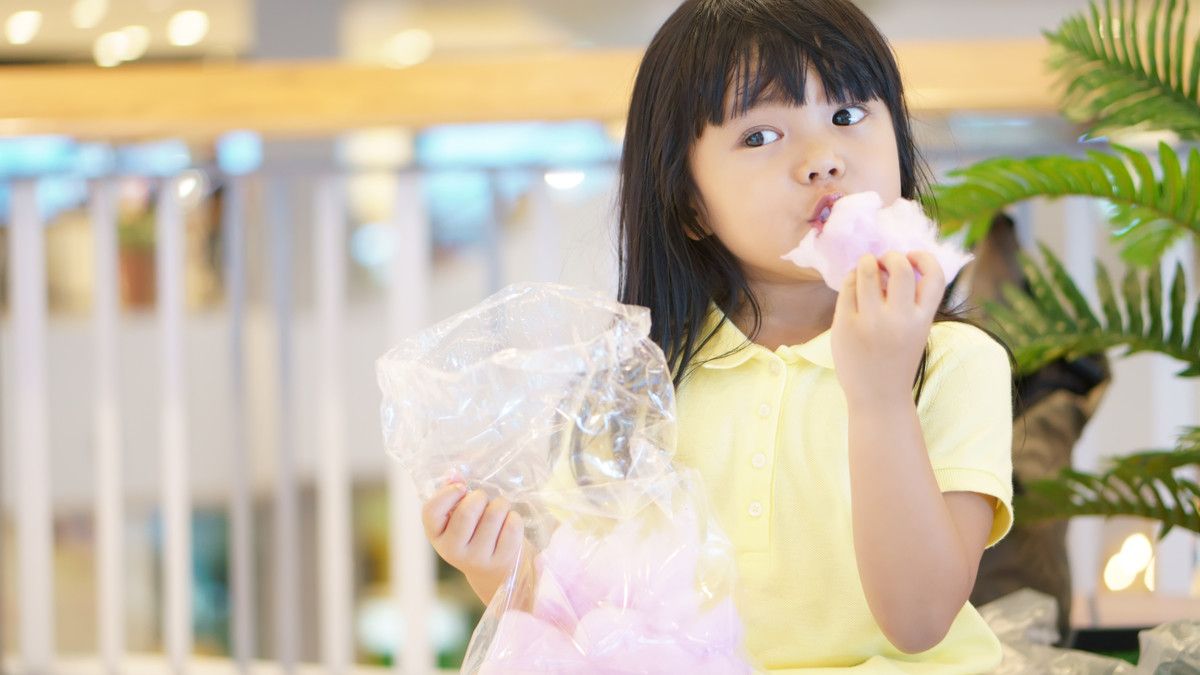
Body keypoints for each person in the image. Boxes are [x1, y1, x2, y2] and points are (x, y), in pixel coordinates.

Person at [421, 0, 1016, 671]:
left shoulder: (955, 362)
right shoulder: (633, 386)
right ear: (690, 204)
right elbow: (596, 631)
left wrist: (879, 392)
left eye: (848, 116)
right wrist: (499, 571)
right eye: (761, 136)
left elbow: (920, 620)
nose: (822, 159)